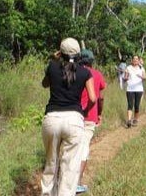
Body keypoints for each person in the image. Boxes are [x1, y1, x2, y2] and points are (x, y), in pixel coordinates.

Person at [41, 38, 97, 196]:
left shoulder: (52, 67)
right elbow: (93, 98)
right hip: (74, 120)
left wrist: (54, 60)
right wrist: (84, 112)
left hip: (52, 119)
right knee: (70, 167)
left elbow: (45, 84)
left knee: (51, 163)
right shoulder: (85, 72)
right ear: (78, 53)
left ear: (61, 51)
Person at [76, 49, 106, 194]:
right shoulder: (97, 75)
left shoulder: (73, 72)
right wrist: (99, 113)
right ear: (92, 61)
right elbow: (99, 98)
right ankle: (76, 183)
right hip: (89, 117)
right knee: (83, 150)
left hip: (73, 115)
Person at [124, 55, 146, 128]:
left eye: (137, 59)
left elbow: (145, 77)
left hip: (139, 89)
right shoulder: (128, 68)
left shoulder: (141, 68)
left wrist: (141, 77)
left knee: (137, 105)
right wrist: (125, 78)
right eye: (134, 59)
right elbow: (125, 77)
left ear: (139, 61)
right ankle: (129, 120)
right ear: (132, 60)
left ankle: (136, 119)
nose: (135, 60)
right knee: (130, 105)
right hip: (130, 89)